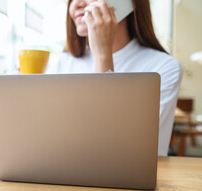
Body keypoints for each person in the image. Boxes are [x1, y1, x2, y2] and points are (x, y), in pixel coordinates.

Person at [48, 0, 183, 156]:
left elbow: (114, 149)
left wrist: (103, 57)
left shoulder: (162, 68)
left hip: (128, 177)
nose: (76, 4)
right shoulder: (62, 62)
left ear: (126, 3)